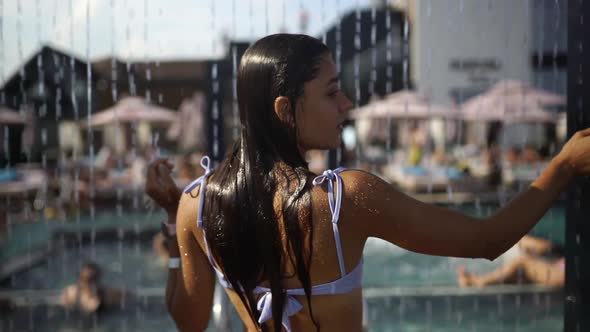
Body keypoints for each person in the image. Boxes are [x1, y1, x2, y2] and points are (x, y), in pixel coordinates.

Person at [144, 33, 590, 332]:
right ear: (285, 110)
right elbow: (489, 239)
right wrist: (564, 167)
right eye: (332, 91)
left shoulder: (196, 204)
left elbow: (189, 321)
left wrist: (172, 217)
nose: (347, 103)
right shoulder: (345, 199)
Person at [457, 235, 565, 288]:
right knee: (536, 245)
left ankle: (478, 281)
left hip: (567, 272)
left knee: (522, 263)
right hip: (564, 263)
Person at [60, 262, 127, 314]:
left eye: (94, 279)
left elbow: (131, 298)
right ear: (79, 280)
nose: (91, 284)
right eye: (87, 280)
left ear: (99, 279)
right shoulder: (70, 293)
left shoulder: (110, 293)